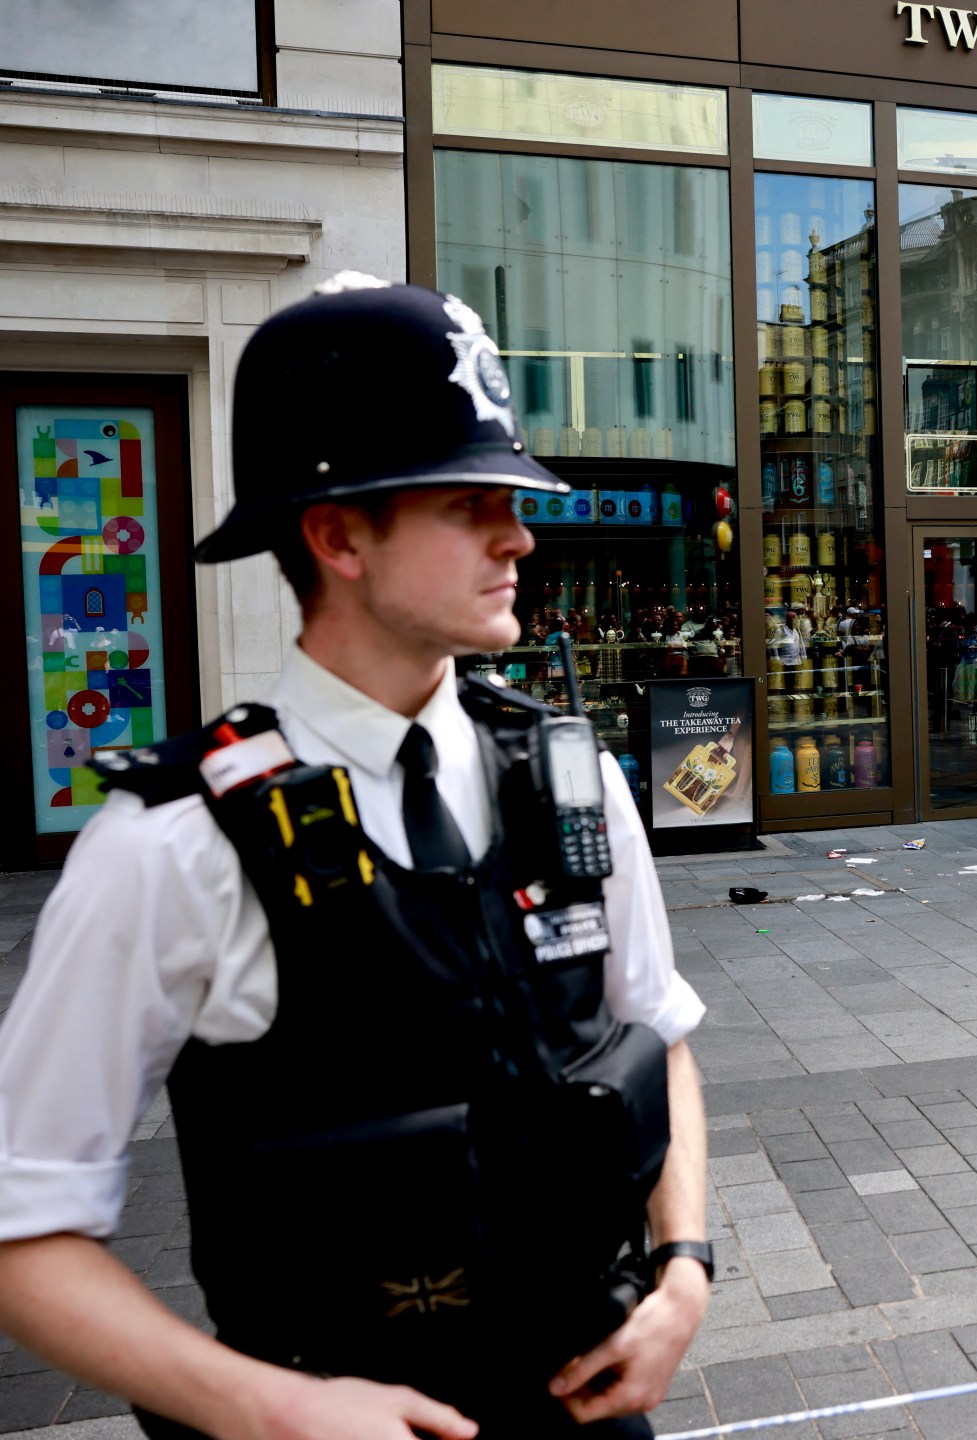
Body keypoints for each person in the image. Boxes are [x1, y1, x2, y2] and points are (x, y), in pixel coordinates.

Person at [0, 276, 712, 1440]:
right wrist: (272, 1411)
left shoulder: (567, 777)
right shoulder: (172, 846)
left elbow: (655, 1035)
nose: (520, 534)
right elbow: (21, 1231)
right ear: (336, 535)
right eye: (472, 502)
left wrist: (685, 1268)